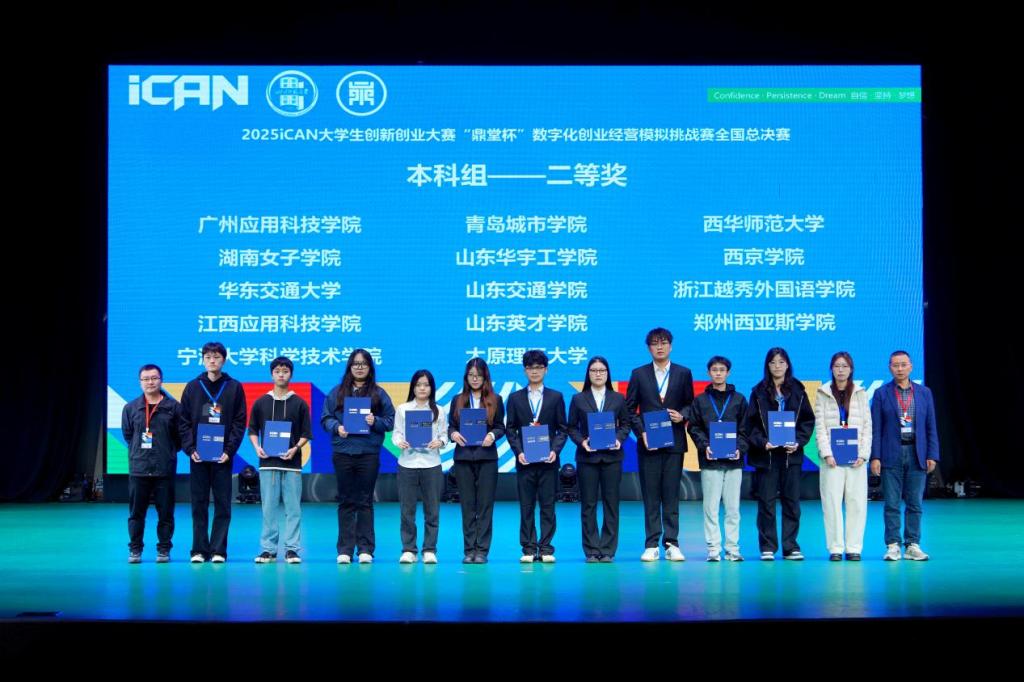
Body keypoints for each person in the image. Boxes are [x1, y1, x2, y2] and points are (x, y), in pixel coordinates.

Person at [625, 327, 694, 562]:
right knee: (651, 494)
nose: (660, 347)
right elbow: (629, 409)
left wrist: (682, 415)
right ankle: (651, 543)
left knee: (671, 494)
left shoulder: (683, 373)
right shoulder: (639, 374)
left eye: (664, 342)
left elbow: (690, 404)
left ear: (671, 346)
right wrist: (641, 433)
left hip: (674, 443)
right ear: (649, 348)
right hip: (649, 444)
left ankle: (672, 543)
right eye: (655, 343)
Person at [320, 349, 395, 565]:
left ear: (370, 367)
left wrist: (375, 421)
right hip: (343, 452)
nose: (359, 367)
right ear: (349, 367)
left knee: (365, 500)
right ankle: (345, 549)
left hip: (368, 453)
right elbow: (325, 418)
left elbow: (390, 420)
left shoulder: (378, 394)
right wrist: (337, 427)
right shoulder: (337, 392)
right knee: (345, 500)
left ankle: (365, 549)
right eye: (355, 364)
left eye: (363, 364)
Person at [744, 347, 815, 561]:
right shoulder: (758, 392)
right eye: (773, 362)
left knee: (792, 502)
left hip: (790, 456)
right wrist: (762, 442)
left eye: (781, 362)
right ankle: (767, 546)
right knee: (766, 502)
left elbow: (807, 421)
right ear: (767, 365)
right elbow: (750, 425)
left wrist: (798, 442)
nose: (777, 366)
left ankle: (790, 546)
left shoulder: (799, 390)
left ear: (787, 365)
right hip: (766, 456)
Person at [180, 341, 247, 563]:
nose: (212, 361)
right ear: (202, 360)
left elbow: (239, 422)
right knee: (198, 504)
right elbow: (183, 422)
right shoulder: (193, 387)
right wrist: (190, 449)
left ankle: (218, 550)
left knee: (223, 504)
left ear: (224, 360)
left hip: (223, 457)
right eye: (208, 357)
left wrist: (229, 450)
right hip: (198, 456)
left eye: (217, 357)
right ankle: (199, 550)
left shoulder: (234, 387)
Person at [870, 350, 939, 561]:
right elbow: (876, 428)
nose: (899, 369)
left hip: (917, 453)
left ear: (911, 366)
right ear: (889, 368)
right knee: (891, 503)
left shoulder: (924, 393)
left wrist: (932, 454)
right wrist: (875, 457)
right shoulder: (881, 393)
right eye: (895, 365)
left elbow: (931, 426)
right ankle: (893, 545)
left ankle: (912, 545)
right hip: (891, 453)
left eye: (903, 364)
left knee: (915, 503)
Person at [566, 356, 631, 562]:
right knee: (588, 505)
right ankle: (592, 550)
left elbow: (626, 424)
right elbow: (571, 427)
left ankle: (608, 549)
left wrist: (619, 439)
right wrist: (581, 442)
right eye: (594, 370)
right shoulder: (578, 399)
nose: (598, 374)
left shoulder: (618, 398)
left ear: (607, 373)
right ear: (588, 374)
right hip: (587, 458)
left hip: (612, 458)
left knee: (611, 504)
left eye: (602, 370)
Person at [505, 350, 568, 563]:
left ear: (546, 370)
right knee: (526, 506)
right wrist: (519, 452)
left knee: (548, 506)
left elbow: (562, 428)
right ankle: (529, 548)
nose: (534, 371)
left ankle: (547, 548)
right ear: (525, 370)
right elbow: (510, 429)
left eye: (539, 367)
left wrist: (554, 451)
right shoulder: (515, 398)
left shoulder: (556, 397)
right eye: (530, 367)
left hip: (548, 462)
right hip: (525, 462)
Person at [248, 356, 312, 564]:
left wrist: (295, 448)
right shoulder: (261, 402)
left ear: (291, 375)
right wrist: (257, 447)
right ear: (271, 375)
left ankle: (292, 549)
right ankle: (268, 550)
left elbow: (306, 433)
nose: (281, 375)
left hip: (292, 465)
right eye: (277, 371)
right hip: (267, 464)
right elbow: (252, 429)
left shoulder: (299, 403)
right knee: (268, 508)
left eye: (285, 371)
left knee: (293, 509)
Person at [122, 363, 186, 563]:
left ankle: (164, 549)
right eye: (146, 379)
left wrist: (167, 451)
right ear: (140, 382)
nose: (150, 382)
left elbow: (180, 437)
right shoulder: (130, 408)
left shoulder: (174, 407)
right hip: (139, 468)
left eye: (154, 378)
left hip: (164, 468)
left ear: (161, 380)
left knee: (165, 513)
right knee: (136, 513)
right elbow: (128, 435)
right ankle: (135, 550)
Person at [686, 356, 749, 562]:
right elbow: (694, 427)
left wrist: (740, 448)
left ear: (728, 373)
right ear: (708, 373)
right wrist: (705, 446)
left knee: (733, 508)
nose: (718, 373)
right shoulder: (700, 400)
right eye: (714, 370)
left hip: (734, 461)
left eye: (722, 370)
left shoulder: (739, 399)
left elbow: (745, 428)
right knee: (710, 507)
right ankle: (713, 548)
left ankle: (732, 548)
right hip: (710, 461)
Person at [814, 351, 872, 561]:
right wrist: (827, 454)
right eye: (837, 366)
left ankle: (854, 547)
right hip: (832, 460)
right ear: (831, 369)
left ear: (851, 369)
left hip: (856, 459)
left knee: (857, 503)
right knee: (831, 503)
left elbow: (867, 426)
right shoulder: (822, 393)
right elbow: (820, 427)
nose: (840, 370)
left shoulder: (860, 392)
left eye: (844, 366)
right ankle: (835, 548)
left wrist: (863, 455)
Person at [448, 358, 505, 564]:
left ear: (485, 377)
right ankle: (469, 549)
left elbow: (500, 427)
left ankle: (481, 550)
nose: (475, 379)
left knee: (485, 505)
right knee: (467, 505)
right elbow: (451, 426)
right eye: (471, 375)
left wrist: (492, 435)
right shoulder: (457, 400)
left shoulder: (496, 399)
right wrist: (453, 434)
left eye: (479, 375)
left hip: (487, 457)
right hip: (463, 458)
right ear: (466, 377)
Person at [392, 370, 448, 564]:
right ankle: (409, 549)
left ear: (431, 388)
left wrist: (440, 442)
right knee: (407, 510)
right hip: (407, 463)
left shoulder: (439, 410)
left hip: (431, 464)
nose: (422, 388)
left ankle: (429, 549)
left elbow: (444, 435)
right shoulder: (403, 409)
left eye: (426, 385)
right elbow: (396, 433)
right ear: (413, 387)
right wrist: (399, 442)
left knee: (432, 510)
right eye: (418, 385)